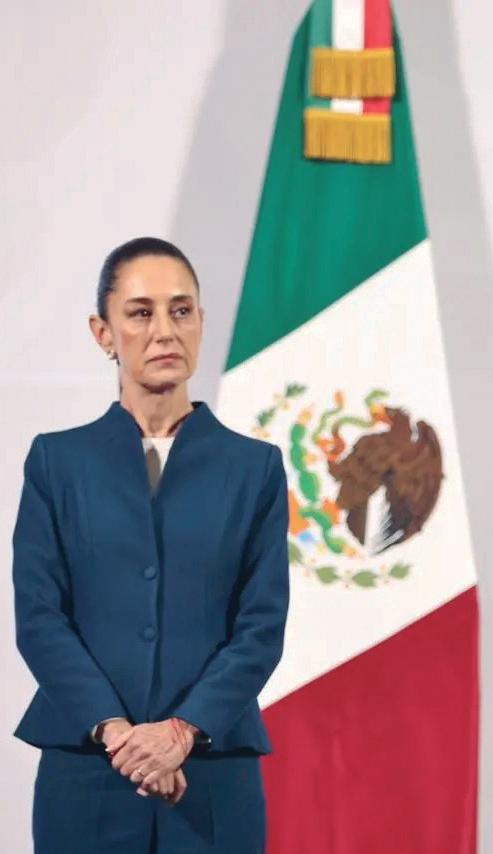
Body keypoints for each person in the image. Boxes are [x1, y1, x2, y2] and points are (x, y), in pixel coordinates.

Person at [13, 237, 289, 853]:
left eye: (180, 310)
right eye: (140, 313)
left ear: (200, 323)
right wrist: (121, 737)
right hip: (86, 773)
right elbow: (39, 617)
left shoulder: (255, 468)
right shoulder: (57, 462)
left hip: (213, 777)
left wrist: (181, 733)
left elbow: (261, 627)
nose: (164, 330)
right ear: (103, 333)